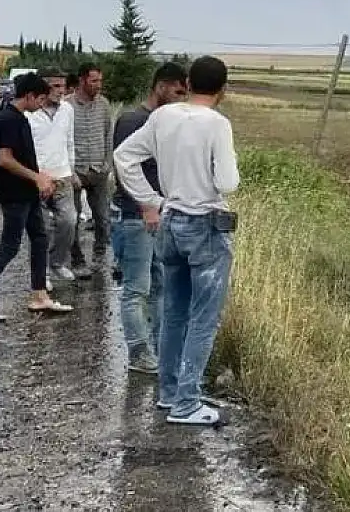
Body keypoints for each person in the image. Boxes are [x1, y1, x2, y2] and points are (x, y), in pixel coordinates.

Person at [114, 55, 239, 426]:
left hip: (169, 221)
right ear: (223, 89)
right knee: (204, 317)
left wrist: (150, 199)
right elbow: (228, 182)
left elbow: (125, 157)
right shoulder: (217, 124)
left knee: (173, 311)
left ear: (187, 82)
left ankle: (169, 393)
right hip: (206, 225)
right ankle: (186, 402)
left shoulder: (163, 116)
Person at [0, 73, 73, 324]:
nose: (42, 104)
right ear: (30, 95)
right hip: (14, 193)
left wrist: (40, 177)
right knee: (9, 248)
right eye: (40, 99)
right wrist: (37, 177)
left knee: (40, 238)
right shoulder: (9, 119)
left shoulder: (19, 117)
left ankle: (39, 294)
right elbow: (5, 159)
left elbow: (21, 157)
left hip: (27, 192)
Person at [111, 62, 188, 375]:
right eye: (178, 91)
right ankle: (139, 353)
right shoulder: (134, 120)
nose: (182, 98)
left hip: (159, 217)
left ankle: (158, 348)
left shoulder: (163, 122)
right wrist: (145, 207)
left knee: (159, 287)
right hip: (137, 217)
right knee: (136, 289)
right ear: (160, 86)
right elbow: (124, 167)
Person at [26, 67, 78, 283]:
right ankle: (41, 272)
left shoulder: (67, 109)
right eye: (55, 86)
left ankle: (56, 262)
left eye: (63, 86)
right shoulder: (29, 113)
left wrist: (72, 170)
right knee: (42, 228)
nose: (61, 91)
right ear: (43, 87)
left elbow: (69, 140)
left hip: (63, 175)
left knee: (69, 221)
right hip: (38, 178)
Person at [68, 62, 112, 279]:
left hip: (98, 170)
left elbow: (108, 134)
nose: (98, 85)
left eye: (100, 81)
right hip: (75, 171)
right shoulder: (67, 106)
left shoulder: (104, 105)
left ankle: (100, 255)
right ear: (83, 80)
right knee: (72, 219)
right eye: (94, 80)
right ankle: (77, 260)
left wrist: (107, 164)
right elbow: (63, 140)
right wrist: (68, 171)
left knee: (103, 217)